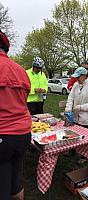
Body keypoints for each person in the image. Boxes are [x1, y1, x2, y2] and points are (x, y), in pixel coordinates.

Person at [0, 30, 32, 200]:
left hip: (3, 134)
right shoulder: (21, 70)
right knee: (16, 179)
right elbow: (23, 100)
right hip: (23, 134)